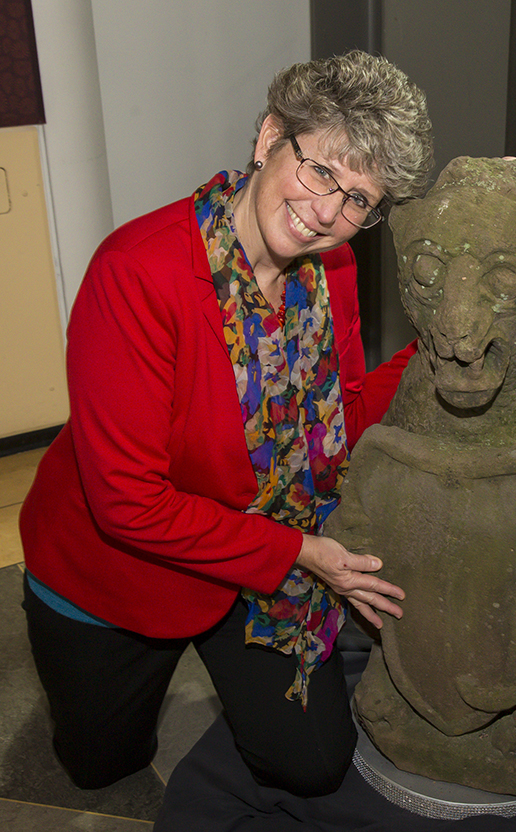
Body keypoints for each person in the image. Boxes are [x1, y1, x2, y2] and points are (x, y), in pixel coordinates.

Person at [19, 51, 433, 797]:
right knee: (99, 767)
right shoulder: (137, 273)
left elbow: (339, 422)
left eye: (359, 200)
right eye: (320, 170)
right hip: (116, 572)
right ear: (270, 136)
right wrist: (303, 550)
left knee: (311, 765)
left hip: (254, 560)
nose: (328, 212)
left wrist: (437, 352)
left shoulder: (332, 268)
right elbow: (129, 505)